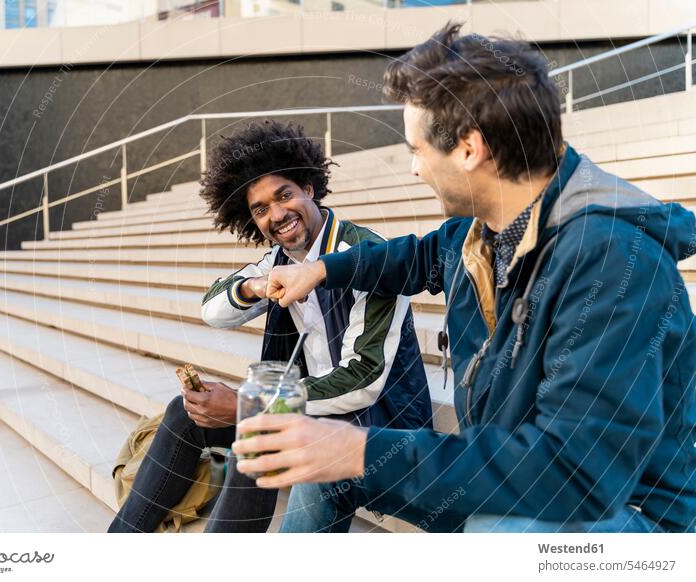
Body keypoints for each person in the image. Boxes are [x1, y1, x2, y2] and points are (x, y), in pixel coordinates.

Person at [233, 23, 696, 533]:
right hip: (509, 469)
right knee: (325, 471)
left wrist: (360, 448)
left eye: (417, 150)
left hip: (628, 512)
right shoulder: (477, 232)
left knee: (497, 534)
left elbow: (577, 476)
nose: (414, 170)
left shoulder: (612, 261)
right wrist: (319, 270)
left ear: (469, 149)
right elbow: (409, 259)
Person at [108, 120, 432, 533]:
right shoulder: (278, 261)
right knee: (184, 413)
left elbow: (363, 379)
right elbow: (213, 309)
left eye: (284, 195)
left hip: (377, 422)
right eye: (260, 209)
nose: (277, 215)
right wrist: (258, 286)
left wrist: (250, 404)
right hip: (312, 407)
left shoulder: (369, 257)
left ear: (309, 188)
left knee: (260, 431)